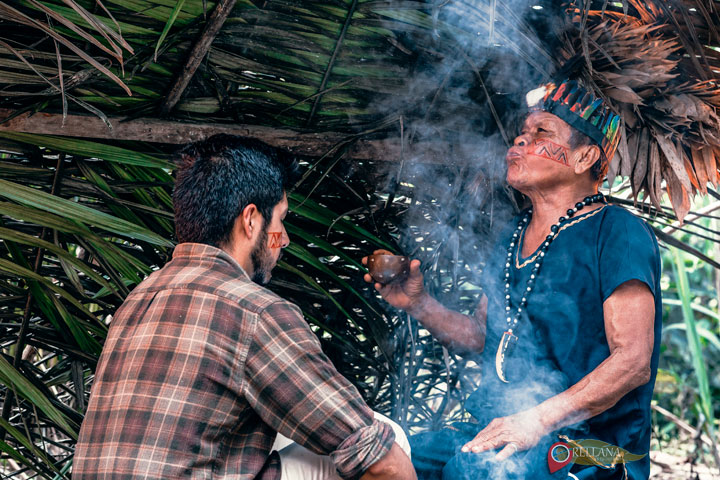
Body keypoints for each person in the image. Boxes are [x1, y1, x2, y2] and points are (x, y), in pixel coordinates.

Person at [363, 80, 662, 479]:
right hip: (500, 424)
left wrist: (533, 421)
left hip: (591, 447)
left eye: (541, 133)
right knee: (389, 459)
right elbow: (483, 338)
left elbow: (633, 362)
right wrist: (418, 304)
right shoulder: (511, 235)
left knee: (471, 471)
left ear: (584, 157)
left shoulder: (618, 232)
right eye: (521, 133)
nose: (519, 142)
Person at [73, 135, 416, 480]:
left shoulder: (140, 297)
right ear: (251, 219)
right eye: (280, 220)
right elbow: (383, 462)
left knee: (283, 431)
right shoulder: (254, 311)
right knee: (386, 440)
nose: (284, 238)